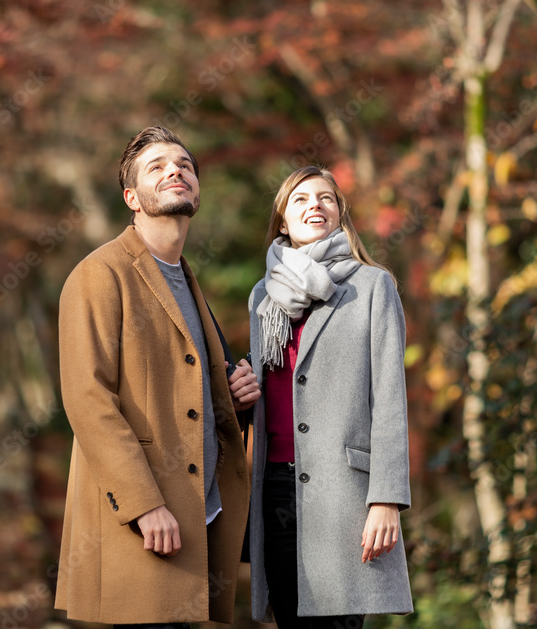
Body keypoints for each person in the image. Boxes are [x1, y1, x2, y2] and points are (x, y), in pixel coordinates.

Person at [54, 126, 261, 626]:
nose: (176, 171)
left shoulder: (188, 280)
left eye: (185, 165)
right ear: (132, 197)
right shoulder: (99, 274)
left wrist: (235, 400)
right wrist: (144, 506)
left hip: (198, 522)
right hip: (142, 523)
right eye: (158, 167)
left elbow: (183, 398)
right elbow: (88, 400)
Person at [247, 165, 413, 628]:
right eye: (299, 199)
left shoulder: (372, 286)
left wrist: (386, 498)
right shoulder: (263, 296)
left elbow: (390, 399)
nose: (313, 206)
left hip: (344, 493)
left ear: (339, 214)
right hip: (275, 488)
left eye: (325, 198)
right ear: (282, 221)